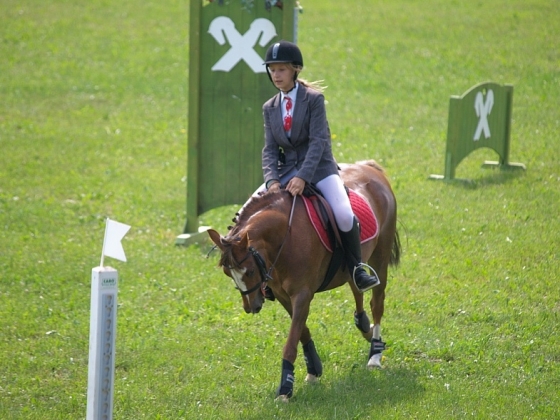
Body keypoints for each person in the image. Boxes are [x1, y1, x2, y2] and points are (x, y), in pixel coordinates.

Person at [253, 40, 380, 293]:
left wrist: (302, 177)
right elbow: (269, 149)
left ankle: (356, 268)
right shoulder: (270, 107)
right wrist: (272, 181)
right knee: (252, 210)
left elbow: (319, 141)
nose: (276, 75)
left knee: (344, 214)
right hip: (285, 171)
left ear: (295, 69)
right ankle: (264, 276)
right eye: (272, 70)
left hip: (320, 169)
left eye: (282, 69)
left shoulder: (313, 100)